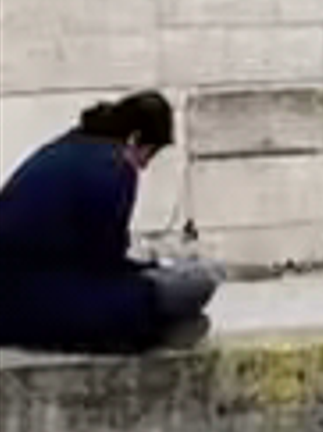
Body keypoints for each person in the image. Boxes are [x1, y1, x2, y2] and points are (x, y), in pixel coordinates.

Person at [0, 92, 219, 353]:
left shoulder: (66, 147)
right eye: (148, 154)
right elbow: (105, 264)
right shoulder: (113, 167)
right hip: (43, 306)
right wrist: (150, 270)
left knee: (168, 286)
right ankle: (158, 329)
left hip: (19, 299)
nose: (145, 166)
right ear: (135, 139)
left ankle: (161, 327)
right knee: (197, 282)